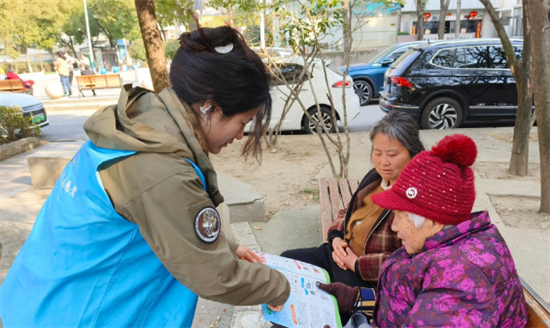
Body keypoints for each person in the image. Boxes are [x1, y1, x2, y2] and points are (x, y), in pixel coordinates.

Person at [0, 26, 290, 327]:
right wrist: (282, 286)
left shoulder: (138, 127)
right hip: (77, 316)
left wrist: (228, 246)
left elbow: (163, 217)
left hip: (35, 296)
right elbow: (213, 275)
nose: (241, 135)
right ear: (209, 105)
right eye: (242, 122)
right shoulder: (163, 169)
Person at [321, 134, 528, 328]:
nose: (394, 226)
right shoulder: (442, 247)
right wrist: (357, 300)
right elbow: (410, 301)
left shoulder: (460, 279)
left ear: (433, 222)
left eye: (400, 216)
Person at [281, 111, 425, 323]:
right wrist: (337, 237)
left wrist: (356, 263)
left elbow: (410, 257)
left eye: (393, 155)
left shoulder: (416, 195)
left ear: (412, 153)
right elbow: (348, 211)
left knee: (321, 305)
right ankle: (280, 317)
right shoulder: (375, 179)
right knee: (286, 262)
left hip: (365, 277)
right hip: (338, 255)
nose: (383, 161)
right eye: (377, 152)